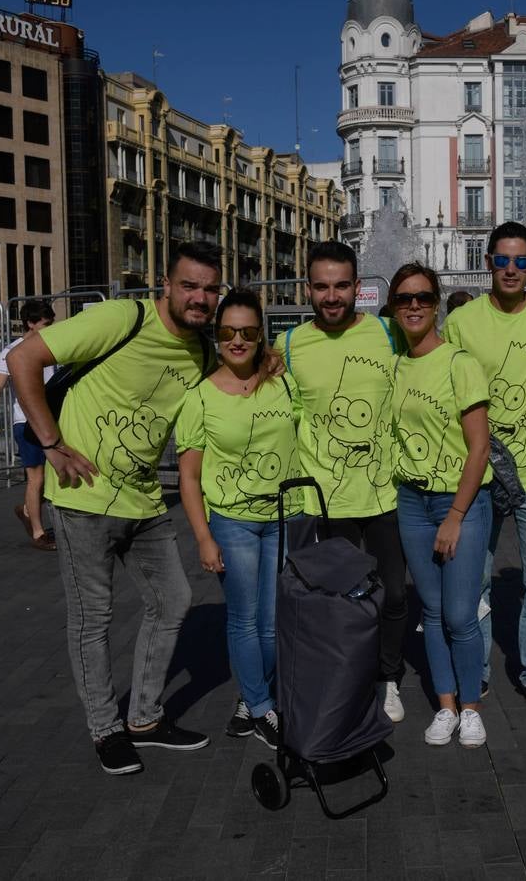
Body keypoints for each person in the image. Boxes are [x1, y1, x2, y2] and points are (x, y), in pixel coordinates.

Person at [7, 240, 223, 776]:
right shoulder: (122, 317)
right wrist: (51, 442)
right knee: (93, 619)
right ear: (166, 286)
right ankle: (106, 728)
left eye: (209, 289)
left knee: (172, 601)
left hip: (145, 501)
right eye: (189, 285)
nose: (199, 297)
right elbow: (22, 359)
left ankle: (144, 720)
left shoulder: (201, 350)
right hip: (83, 501)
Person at [442, 221, 526, 718]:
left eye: (521, 261)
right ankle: (476, 670)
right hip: (481, 472)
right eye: (502, 260)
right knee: (476, 581)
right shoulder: (462, 322)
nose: (511, 269)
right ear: (488, 262)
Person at [278, 240, 409, 723]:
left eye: (341, 286)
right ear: (307, 288)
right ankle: (348, 680)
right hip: (326, 502)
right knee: (341, 602)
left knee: (393, 594)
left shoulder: (389, 333)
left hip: (385, 494)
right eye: (321, 286)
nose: (331, 296)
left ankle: (387, 678)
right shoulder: (288, 346)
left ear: (358, 287)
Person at [177, 287, 299, 750]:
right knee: (245, 620)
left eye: (248, 331)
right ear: (217, 334)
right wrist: (204, 538)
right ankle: (264, 708)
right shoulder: (200, 396)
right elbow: (189, 478)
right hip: (233, 522)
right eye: (229, 331)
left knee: (272, 621)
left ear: (261, 335)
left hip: (284, 518)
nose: (238, 340)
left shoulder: (283, 381)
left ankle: (252, 699)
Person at [388, 263, 493, 748]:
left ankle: (471, 706)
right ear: (392, 307)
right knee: (430, 611)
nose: (414, 305)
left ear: (436, 306)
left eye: (424, 298)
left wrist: (454, 515)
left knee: (459, 614)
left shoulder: (459, 362)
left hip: (460, 503)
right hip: (410, 500)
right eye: (405, 298)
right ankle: (446, 705)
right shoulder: (394, 365)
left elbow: (479, 447)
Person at [0, 300, 58, 550]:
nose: (49, 328)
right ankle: (37, 532)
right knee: (37, 478)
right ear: (30, 324)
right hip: (26, 422)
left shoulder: (53, 348)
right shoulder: (12, 352)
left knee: (52, 478)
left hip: (51, 421)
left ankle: (26, 510)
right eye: (45, 324)